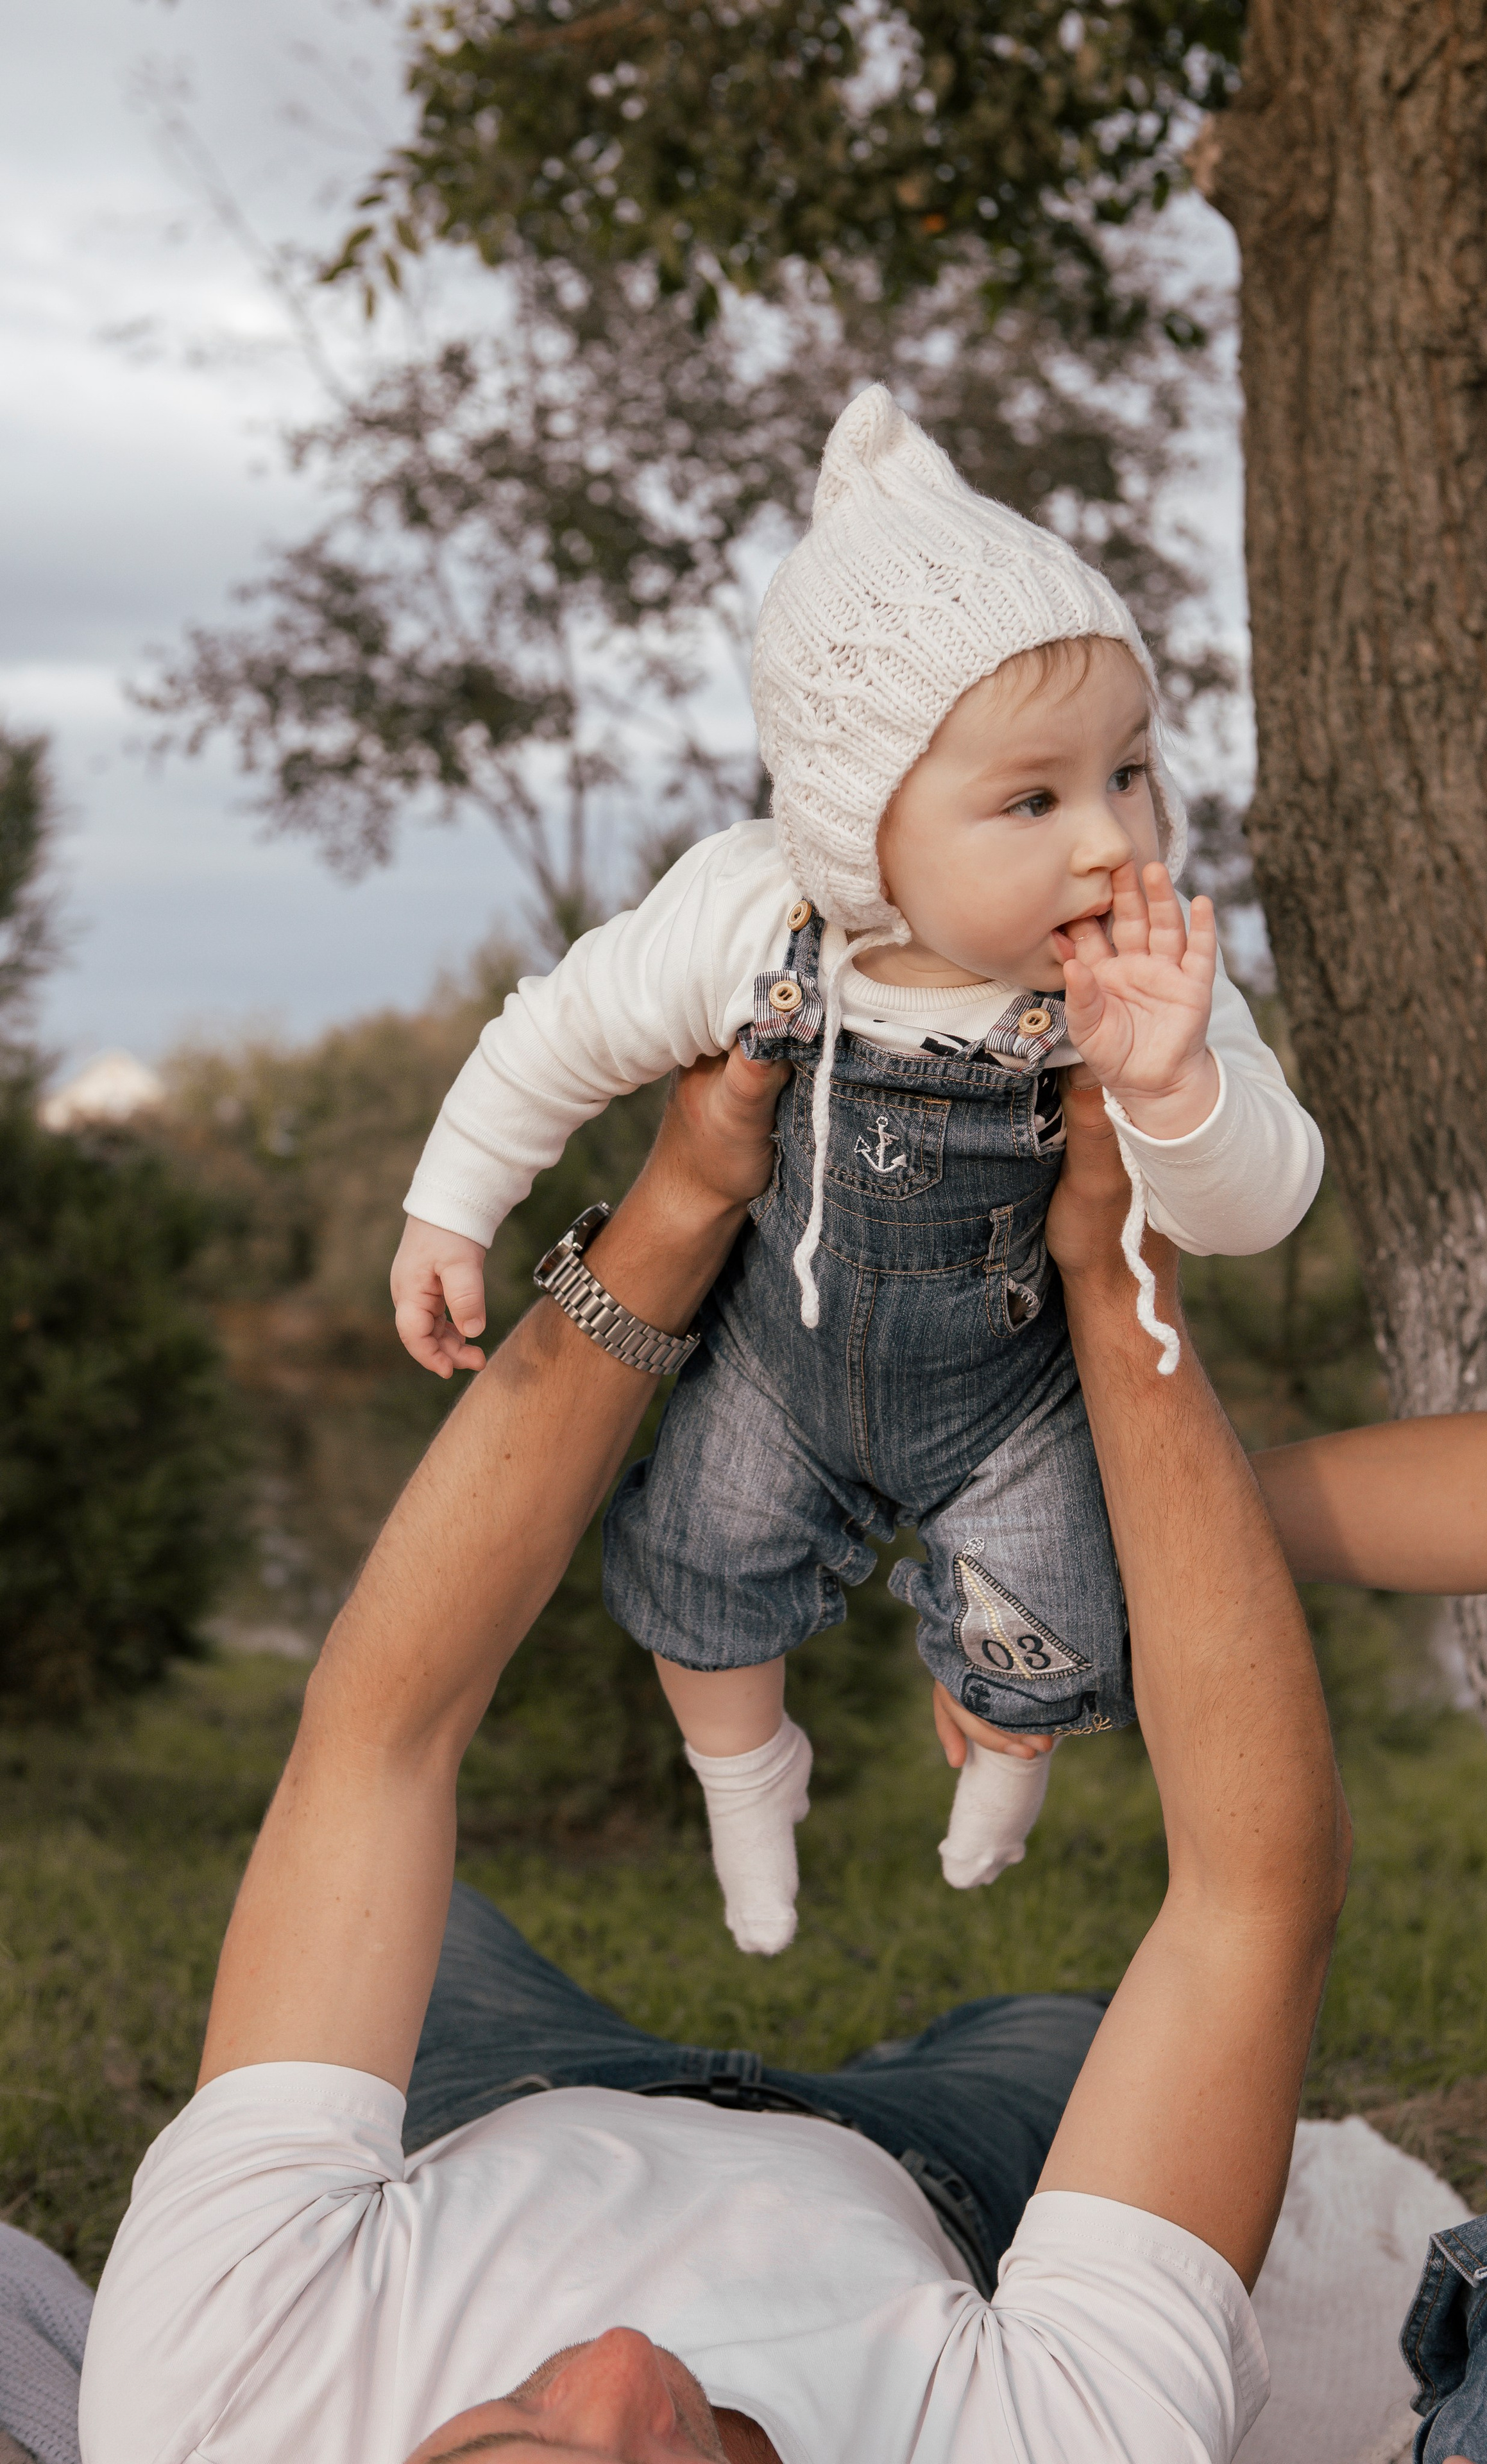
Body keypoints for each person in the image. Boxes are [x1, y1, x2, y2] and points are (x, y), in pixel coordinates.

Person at [78, 1047, 1351, 2464]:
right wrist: (1119, 1281)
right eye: (654, 2460)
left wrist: (679, 1199)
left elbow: (378, 1739)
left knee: (439, 1939)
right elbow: (1247, 1908)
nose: (619, 2369)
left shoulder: (213, 2409)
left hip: (495, 2105)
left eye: (506, 2433)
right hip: (921, 2175)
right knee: (1057, 2025)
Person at [389, 384, 1323, 1953]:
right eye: (1030, 799)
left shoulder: (1150, 982)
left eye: (1128, 772)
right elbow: (559, 1032)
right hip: (777, 1364)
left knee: (1051, 1619)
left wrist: (1169, 1090)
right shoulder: (757, 920)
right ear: (854, 833)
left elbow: (1257, 1205)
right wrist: (449, 1206)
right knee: (692, 1563)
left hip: (1011, 1394)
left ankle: (1005, 1759)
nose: (1107, 841)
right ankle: (744, 1773)